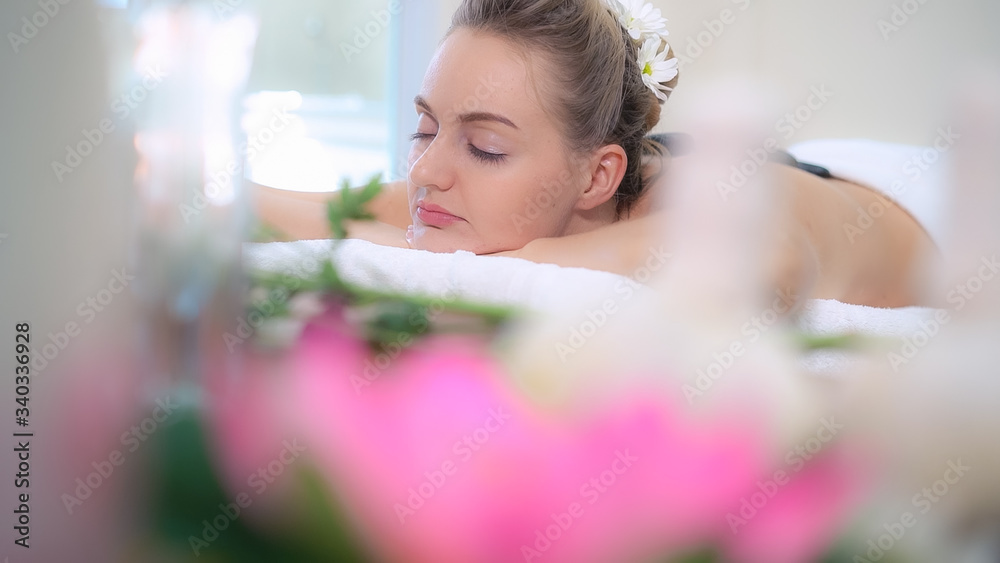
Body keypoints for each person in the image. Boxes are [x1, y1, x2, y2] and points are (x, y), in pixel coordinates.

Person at [252, 0, 939, 308]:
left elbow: (772, 263)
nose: (428, 172)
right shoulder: (476, 182)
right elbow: (314, 210)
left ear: (598, 174)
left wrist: (481, 261)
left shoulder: (712, 205)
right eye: (426, 129)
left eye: (484, 145)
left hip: (924, 200)